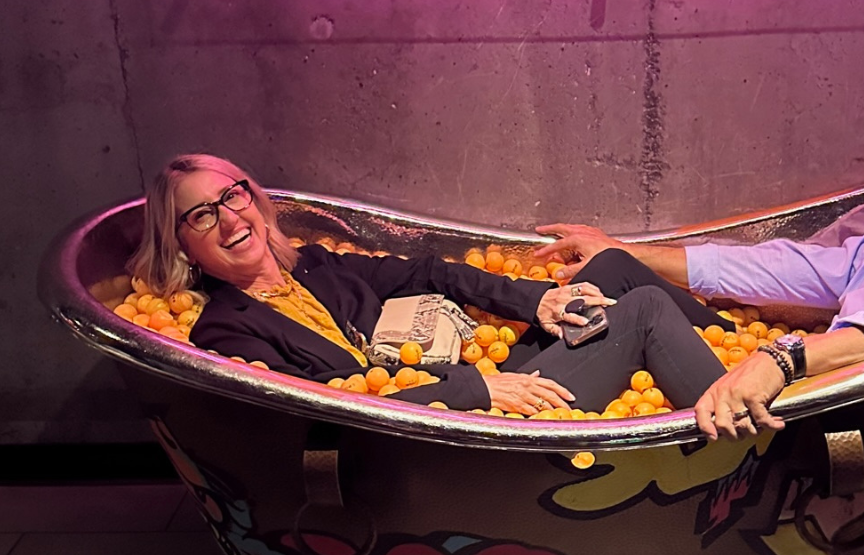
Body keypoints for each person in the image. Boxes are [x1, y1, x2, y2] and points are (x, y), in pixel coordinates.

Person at [533, 104, 864, 440]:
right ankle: (523, 362)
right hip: (777, 375)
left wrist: (784, 356)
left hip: (817, 420)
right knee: (618, 268)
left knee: (644, 312)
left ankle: (516, 410)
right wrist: (626, 249)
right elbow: (783, 267)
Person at [127, 154, 726, 415]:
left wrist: (537, 299)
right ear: (181, 244)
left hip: (479, 376)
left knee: (609, 270)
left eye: (232, 196)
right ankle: (753, 429)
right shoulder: (224, 328)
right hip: (454, 424)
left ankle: (755, 354)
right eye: (203, 215)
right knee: (643, 309)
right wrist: (479, 391)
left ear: (253, 200)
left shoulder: (313, 265)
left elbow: (429, 271)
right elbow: (325, 408)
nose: (230, 219)